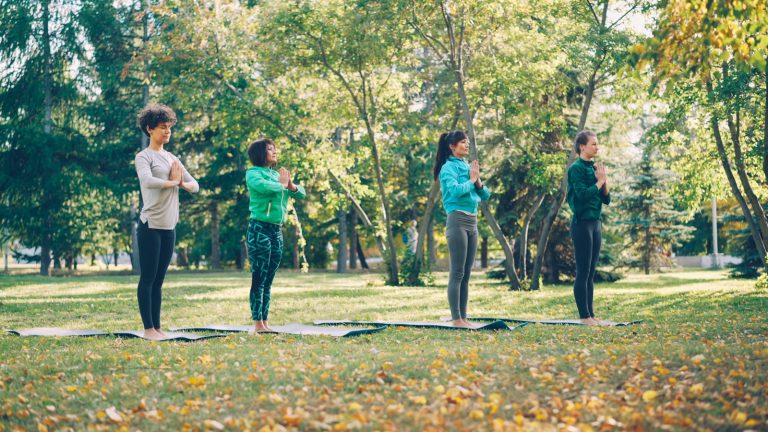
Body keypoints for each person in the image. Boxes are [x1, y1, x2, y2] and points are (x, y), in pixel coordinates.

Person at [135, 104, 199, 340]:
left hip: (169, 226)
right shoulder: (143, 157)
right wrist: (172, 183)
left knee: (159, 281)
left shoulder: (173, 158)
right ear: (150, 129)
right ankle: (148, 329)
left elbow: (196, 185)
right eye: (162, 128)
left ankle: (158, 328)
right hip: (150, 225)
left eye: (169, 128)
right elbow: (147, 181)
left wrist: (181, 183)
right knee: (148, 278)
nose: (167, 132)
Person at [245, 139, 306, 333]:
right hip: (259, 229)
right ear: (260, 154)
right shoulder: (253, 173)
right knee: (259, 276)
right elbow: (265, 188)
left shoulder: (277, 175)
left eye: (275, 149)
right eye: (270, 149)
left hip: (276, 231)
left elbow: (301, 193)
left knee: (269, 278)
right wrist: (283, 184)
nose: (274, 152)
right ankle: (257, 323)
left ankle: (265, 322)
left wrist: (291, 186)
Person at [433, 131, 491, 328]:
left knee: (467, 273)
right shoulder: (447, 168)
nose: (467, 145)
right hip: (457, 220)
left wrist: (478, 181)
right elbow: (455, 190)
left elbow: (485, 195)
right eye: (463, 142)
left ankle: (464, 318)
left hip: (472, 222)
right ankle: (456, 318)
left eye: (467, 142)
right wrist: (471, 180)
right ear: (452, 146)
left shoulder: (467, 167)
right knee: (457, 272)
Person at [567, 130, 611, 326]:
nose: (597, 147)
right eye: (593, 144)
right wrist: (599, 181)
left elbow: (606, 199)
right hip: (582, 223)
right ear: (582, 147)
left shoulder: (594, 167)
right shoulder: (575, 169)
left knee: (591, 272)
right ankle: (584, 316)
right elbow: (582, 195)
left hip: (596, 223)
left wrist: (604, 180)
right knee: (583, 271)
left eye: (597, 144)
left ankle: (591, 314)